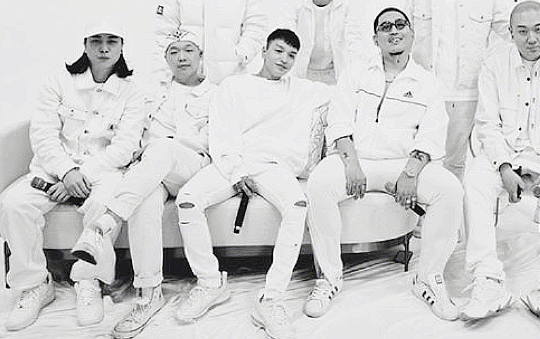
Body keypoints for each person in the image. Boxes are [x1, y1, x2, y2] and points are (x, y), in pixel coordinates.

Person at [304, 7, 463, 321]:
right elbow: (339, 121)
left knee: (450, 189)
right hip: (356, 159)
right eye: (385, 27)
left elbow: (431, 135)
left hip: (402, 163)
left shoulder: (428, 83)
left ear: (411, 34)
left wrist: (410, 173)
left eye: (400, 25)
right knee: (319, 184)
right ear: (375, 38)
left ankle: (428, 278)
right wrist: (351, 164)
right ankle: (329, 278)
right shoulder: (356, 73)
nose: (394, 31)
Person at [173, 29, 330, 339]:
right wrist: (235, 172)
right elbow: (221, 133)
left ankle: (271, 298)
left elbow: (345, 93)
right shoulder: (234, 85)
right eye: (279, 51)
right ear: (264, 51)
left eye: (291, 55)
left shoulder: (301, 90)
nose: (284, 60)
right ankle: (210, 283)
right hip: (233, 160)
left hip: (272, 166)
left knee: (298, 205)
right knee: (187, 200)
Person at [0, 20, 145, 331]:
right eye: (96, 41)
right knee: (14, 205)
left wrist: (81, 176)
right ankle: (35, 284)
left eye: (111, 41)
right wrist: (66, 172)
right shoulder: (58, 82)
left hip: (102, 172)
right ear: (85, 45)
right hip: (53, 169)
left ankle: (89, 281)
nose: (104, 48)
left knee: (104, 205)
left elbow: (124, 147)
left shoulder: (131, 93)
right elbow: (42, 134)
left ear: (122, 46)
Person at [71, 30, 216, 338]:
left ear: (200, 55)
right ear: (166, 59)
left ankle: (106, 220)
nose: (181, 57)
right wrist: (139, 150)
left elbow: (219, 140)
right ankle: (149, 292)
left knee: (162, 148)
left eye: (189, 50)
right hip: (153, 169)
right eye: (174, 51)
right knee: (144, 200)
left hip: (193, 167)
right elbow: (134, 130)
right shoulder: (152, 92)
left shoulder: (216, 93)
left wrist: (155, 150)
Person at [461, 1, 540, 338]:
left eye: (538, 29)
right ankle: (488, 279)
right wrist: (503, 167)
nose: (532, 38)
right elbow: (487, 124)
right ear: (510, 33)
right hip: (506, 155)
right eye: (522, 31)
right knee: (475, 181)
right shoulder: (494, 65)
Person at [405, 0, 503, 181]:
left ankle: (453, 206)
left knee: (455, 162)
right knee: (421, 155)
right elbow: (403, 35)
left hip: (466, 93)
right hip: (427, 89)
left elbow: (511, 31)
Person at [281, 0, 364, 85]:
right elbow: (285, 36)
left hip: (336, 72)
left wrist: (359, 76)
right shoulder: (295, 1)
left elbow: (354, 41)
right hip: (302, 70)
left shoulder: (348, 4)